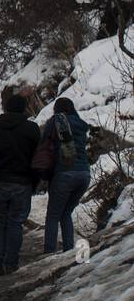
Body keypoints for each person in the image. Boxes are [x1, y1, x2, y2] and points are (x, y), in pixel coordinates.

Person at [0, 94, 40, 275]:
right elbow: (37, 156)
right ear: (24, 108)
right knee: (16, 223)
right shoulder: (32, 129)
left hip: (1, 180)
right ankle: (11, 263)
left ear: (6, 108)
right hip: (23, 181)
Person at [41, 97, 90, 254]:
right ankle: (69, 249)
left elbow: (44, 144)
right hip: (84, 174)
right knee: (66, 213)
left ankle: (49, 252)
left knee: (53, 215)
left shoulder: (56, 121)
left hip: (64, 173)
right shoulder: (81, 124)